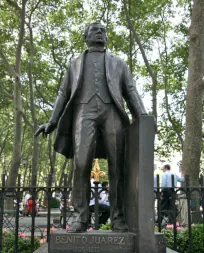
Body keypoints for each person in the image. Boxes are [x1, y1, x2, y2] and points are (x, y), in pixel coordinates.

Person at [35, 22, 147, 232]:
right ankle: (80, 218)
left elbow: (130, 91)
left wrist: (143, 118)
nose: (100, 32)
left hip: (112, 112)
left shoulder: (119, 63)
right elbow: (63, 93)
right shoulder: (75, 63)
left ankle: (118, 218)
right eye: (95, 30)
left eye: (103, 30)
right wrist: (52, 121)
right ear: (85, 36)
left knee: (117, 167)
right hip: (83, 112)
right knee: (81, 164)